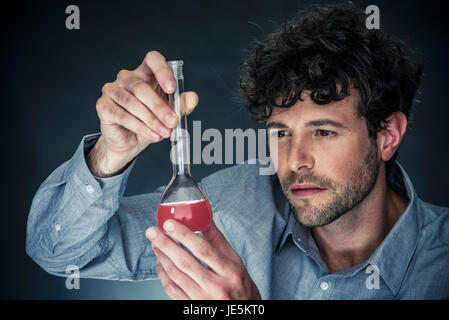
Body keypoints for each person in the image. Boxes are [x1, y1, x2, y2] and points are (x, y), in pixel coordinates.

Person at [26, 3, 449, 299]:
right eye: (280, 133)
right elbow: (60, 252)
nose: (295, 160)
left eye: (323, 132)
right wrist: (109, 154)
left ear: (388, 135)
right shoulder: (237, 204)